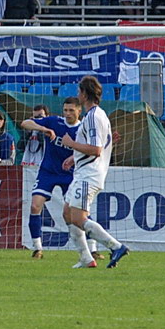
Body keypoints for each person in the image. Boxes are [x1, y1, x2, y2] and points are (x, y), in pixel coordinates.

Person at [61, 76, 129, 269]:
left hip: (89, 174)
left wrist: (71, 144)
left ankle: (115, 246)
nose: (77, 95)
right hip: (84, 171)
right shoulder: (100, 115)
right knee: (67, 213)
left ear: (84, 94)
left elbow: (96, 149)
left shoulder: (92, 117)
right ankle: (85, 258)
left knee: (78, 218)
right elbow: (103, 144)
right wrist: (74, 157)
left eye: (78, 92)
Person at [21, 98, 96, 260]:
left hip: (70, 174)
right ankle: (37, 248)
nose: (67, 114)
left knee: (78, 212)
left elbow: (91, 151)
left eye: (71, 110)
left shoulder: (83, 129)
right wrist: (43, 129)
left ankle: (92, 248)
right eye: (65, 110)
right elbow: (25, 123)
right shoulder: (54, 121)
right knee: (35, 206)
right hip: (48, 171)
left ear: (79, 111)